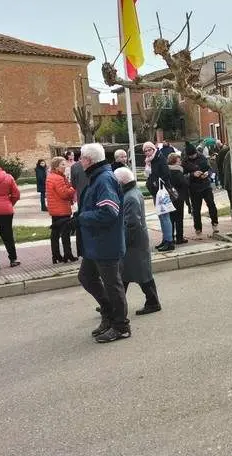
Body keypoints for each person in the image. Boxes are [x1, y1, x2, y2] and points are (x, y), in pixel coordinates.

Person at [74, 142, 129, 343]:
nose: (79, 161)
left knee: (112, 284)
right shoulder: (96, 177)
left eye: (81, 158)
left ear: (88, 160)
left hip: (106, 243)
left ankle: (121, 326)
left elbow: (109, 212)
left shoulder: (104, 179)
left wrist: (81, 218)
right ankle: (108, 314)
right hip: (95, 243)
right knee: (86, 277)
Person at [113, 167, 162, 316]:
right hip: (135, 242)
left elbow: (132, 224)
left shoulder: (130, 197)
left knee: (141, 275)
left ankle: (153, 302)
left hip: (134, 243)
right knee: (124, 275)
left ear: (121, 182)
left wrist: (123, 243)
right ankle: (113, 305)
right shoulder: (130, 192)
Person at [143, 142, 174, 252]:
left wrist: (156, 181)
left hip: (162, 191)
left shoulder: (159, 158)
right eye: (145, 151)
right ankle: (165, 239)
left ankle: (169, 241)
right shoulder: (149, 161)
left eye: (149, 150)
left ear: (153, 149)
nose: (147, 152)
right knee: (161, 217)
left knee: (165, 216)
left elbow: (166, 174)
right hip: (155, 191)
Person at [183, 144, 219, 238]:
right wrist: (192, 174)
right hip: (194, 188)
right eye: (191, 155)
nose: (193, 156)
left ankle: (215, 224)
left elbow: (209, 168)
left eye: (194, 154)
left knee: (211, 204)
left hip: (205, 185)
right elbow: (183, 175)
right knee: (196, 209)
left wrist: (208, 173)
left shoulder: (202, 157)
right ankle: (198, 229)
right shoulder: (185, 162)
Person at [46, 156, 77, 264]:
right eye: (62, 165)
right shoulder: (58, 178)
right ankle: (68, 254)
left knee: (55, 233)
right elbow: (64, 194)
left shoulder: (51, 176)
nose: (65, 166)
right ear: (56, 167)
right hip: (62, 209)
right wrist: (73, 188)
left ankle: (56, 255)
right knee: (65, 233)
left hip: (55, 209)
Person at [167, 153, 190, 244]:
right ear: (174, 161)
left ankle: (170, 237)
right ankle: (179, 237)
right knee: (179, 218)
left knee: (171, 218)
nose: (180, 161)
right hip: (179, 197)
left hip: (170, 197)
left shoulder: (167, 171)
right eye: (178, 160)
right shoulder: (178, 171)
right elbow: (184, 183)